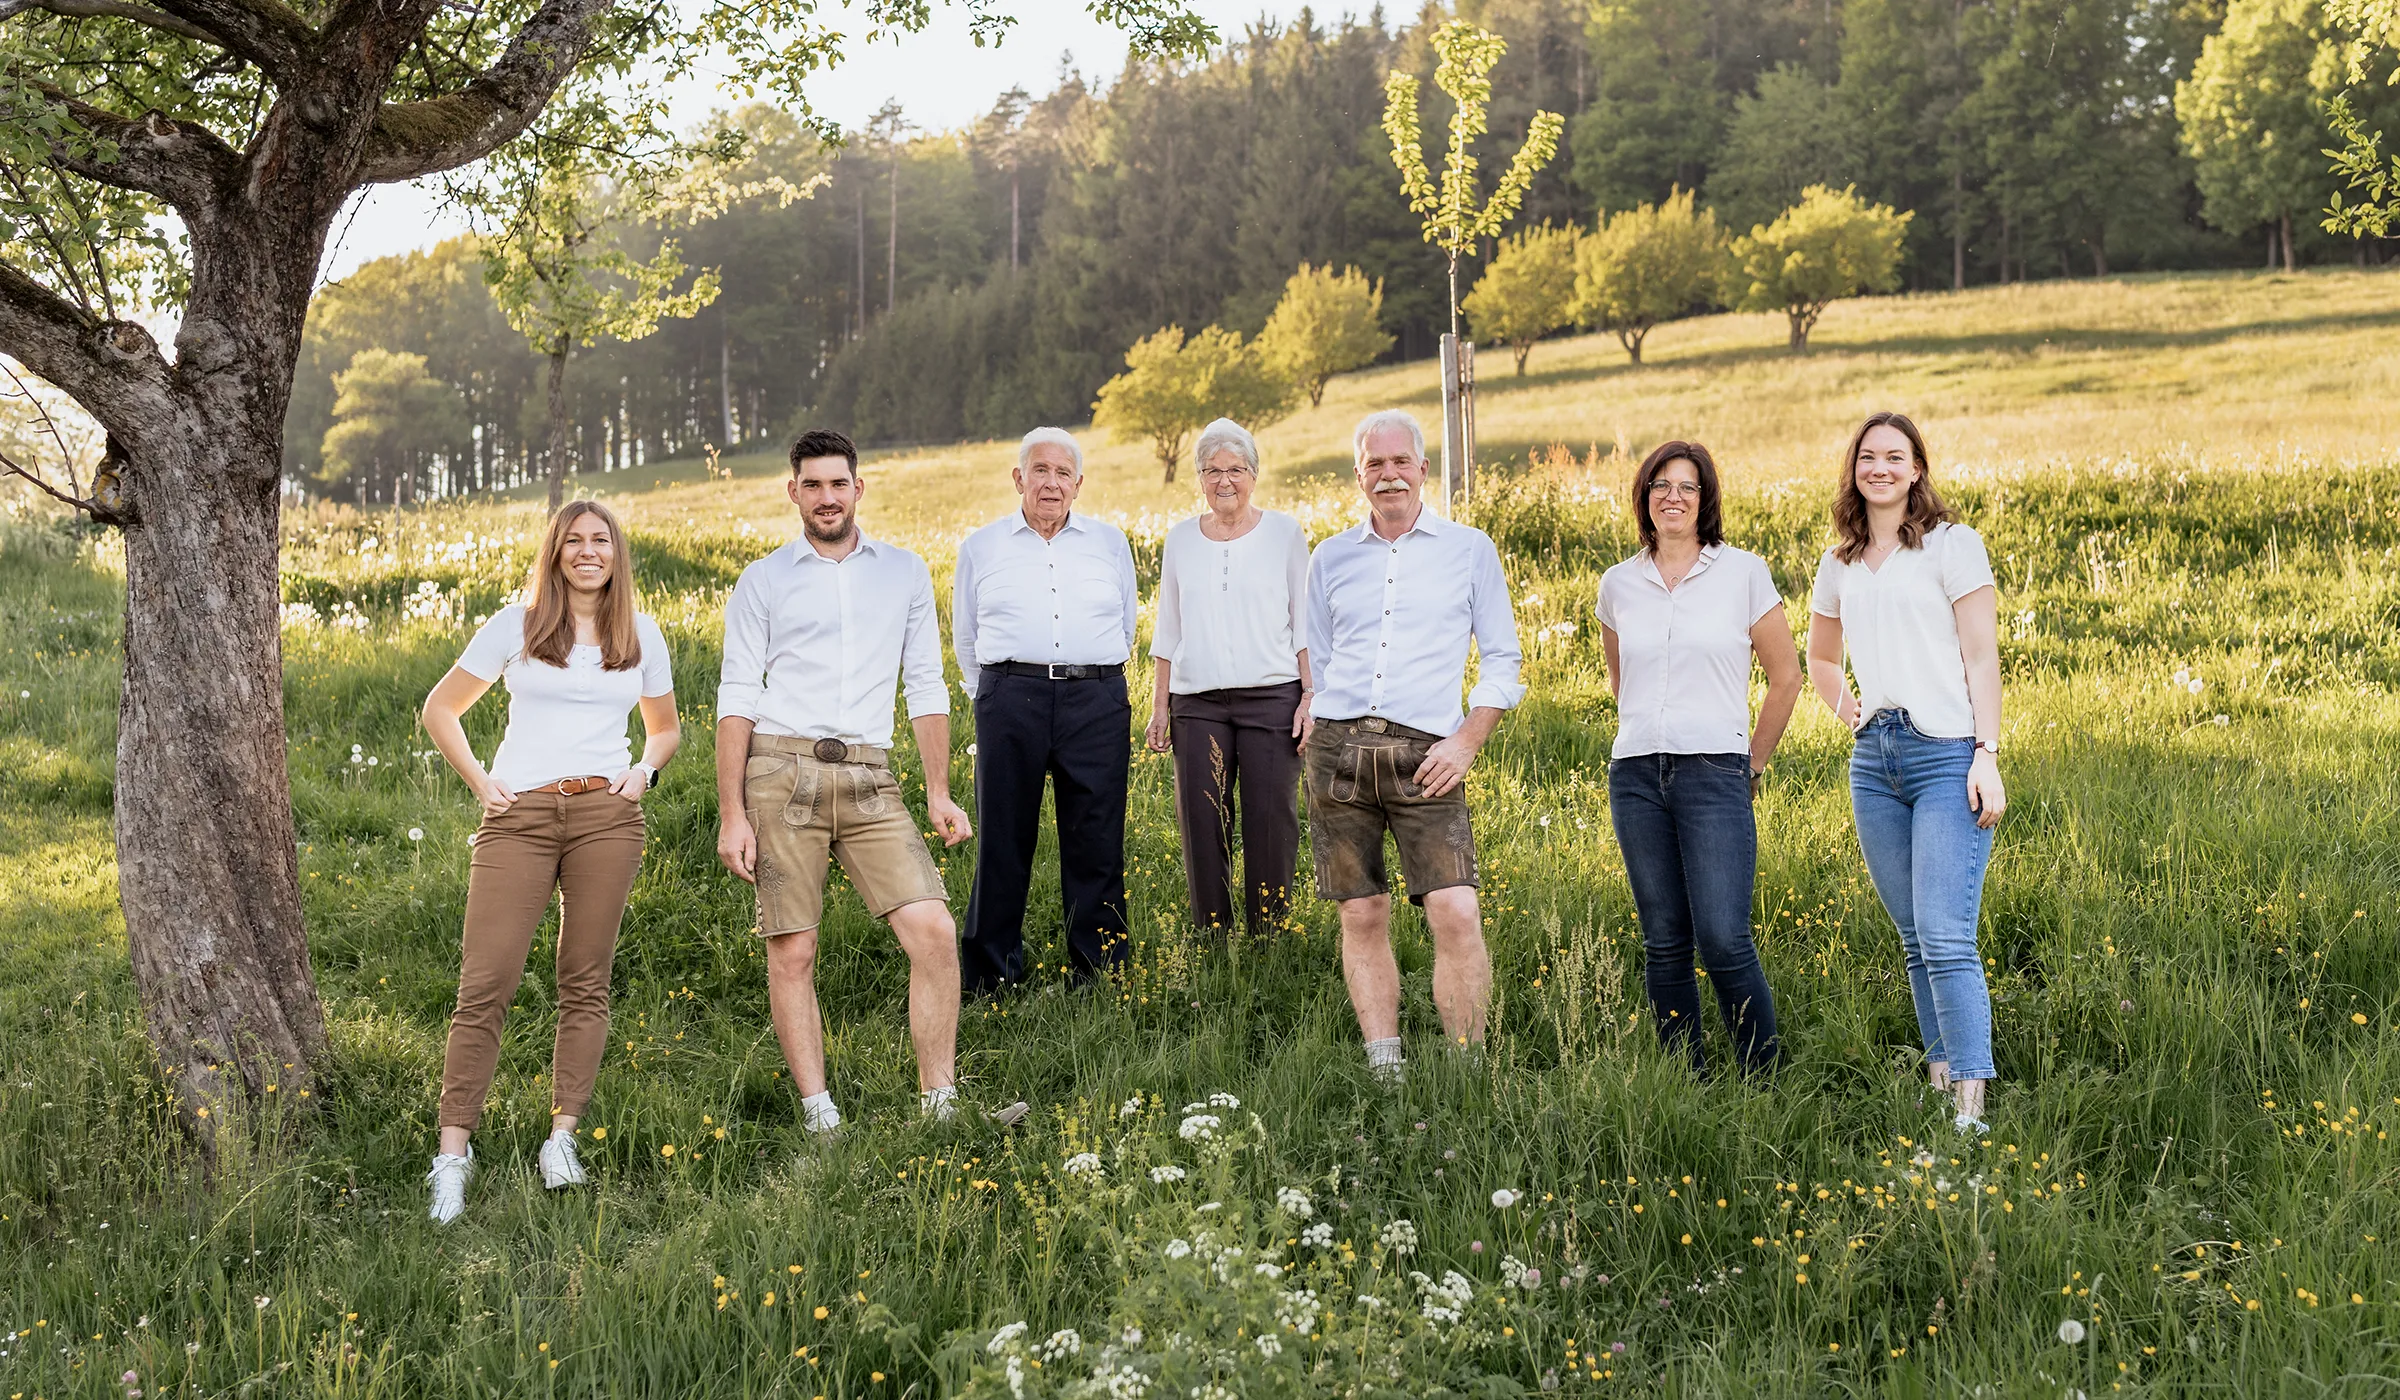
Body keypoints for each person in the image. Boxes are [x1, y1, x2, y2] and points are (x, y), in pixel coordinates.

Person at [420, 499, 680, 1224]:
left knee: (584, 981)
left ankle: (562, 1138)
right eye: (574, 540)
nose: (588, 550)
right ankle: (452, 1156)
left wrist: (644, 774)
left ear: (616, 553)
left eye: (601, 540)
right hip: (520, 817)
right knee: (487, 983)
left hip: (606, 816)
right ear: (555, 551)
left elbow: (664, 729)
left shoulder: (641, 634)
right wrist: (482, 781)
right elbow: (441, 709)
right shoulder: (517, 625)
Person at [715, 429, 976, 1135]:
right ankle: (819, 1113)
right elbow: (736, 696)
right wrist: (731, 812)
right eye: (813, 485)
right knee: (793, 947)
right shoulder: (763, 578)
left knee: (934, 930)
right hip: (779, 771)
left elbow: (925, 683)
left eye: (839, 484)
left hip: (869, 776)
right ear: (793, 492)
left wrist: (939, 790)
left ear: (859, 488)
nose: (827, 497)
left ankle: (940, 1104)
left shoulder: (904, 572)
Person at [1303, 409, 1523, 1080]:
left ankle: (1466, 1072)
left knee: (1456, 910)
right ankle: (1386, 1070)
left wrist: (1466, 742)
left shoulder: (1469, 549)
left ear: (1423, 469)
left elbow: (1505, 661)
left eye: (1401, 462)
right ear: (1359, 473)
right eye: (1375, 463)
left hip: (1429, 754)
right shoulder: (1330, 557)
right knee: (1362, 913)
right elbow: (1320, 653)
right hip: (1338, 755)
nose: (1388, 474)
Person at [1806, 411, 2007, 1132]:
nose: (1881, 468)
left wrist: (1988, 753)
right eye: (1868, 457)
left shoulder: (1953, 546)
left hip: (1948, 751)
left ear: (1918, 468)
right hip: (1875, 759)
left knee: (1947, 934)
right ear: (1853, 470)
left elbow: (1982, 657)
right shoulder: (1840, 561)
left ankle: (1971, 1112)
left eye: (1896, 456)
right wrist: (1849, 710)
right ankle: (1940, 1079)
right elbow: (1821, 658)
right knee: (1915, 939)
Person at [1597, 440, 1802, 1076]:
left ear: (1705, 498)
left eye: (1687, 486)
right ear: (1644, 498)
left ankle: (1762, 1081)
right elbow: (1620, 679)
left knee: (1722, 937)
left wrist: (1753, 765)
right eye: (1660, 485)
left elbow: (1787, 676)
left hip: (1715, 771)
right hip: (1635, 774)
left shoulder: (1743, 572)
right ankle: (1688, 1079)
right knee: (1664, 941)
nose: (1673, 497)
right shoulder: (1618, 584)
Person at [953, 426, 1140, 994]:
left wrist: (1091, 683)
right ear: (1019, 478)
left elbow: (1126, 625)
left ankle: (1099, 973)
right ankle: (991, 975)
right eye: (1040, 471)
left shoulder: (1110, 544)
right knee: (1003, 838)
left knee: (1097, 840)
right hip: (1011, 698)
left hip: (1096, 700)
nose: (1051, 483)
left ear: (1078, 484)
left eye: (1063, 473)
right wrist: (992, 696)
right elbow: (966, 637)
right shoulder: (981, 547)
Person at [1144, 418, 1311, 934]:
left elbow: (1305, 623)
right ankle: (1211, 935)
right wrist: (1159, 706)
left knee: (1270, 821)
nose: (1224, 480)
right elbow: (1168, 626)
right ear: (1199, 478)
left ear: (1254, 474)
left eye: (1235, 469)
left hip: (1272, 699)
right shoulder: (1180, 539)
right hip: (1197, 703)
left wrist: (1310, 696)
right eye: (1211, 470)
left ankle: (1269, 937)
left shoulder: (1284, 533)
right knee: (1203, 820)